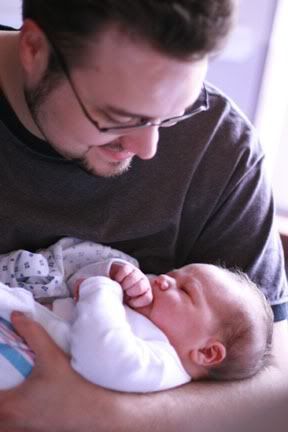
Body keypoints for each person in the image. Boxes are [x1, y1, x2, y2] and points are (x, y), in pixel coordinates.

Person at [0, 0, 287, 431]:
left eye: (173, 116)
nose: (148, 148)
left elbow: (275, 386)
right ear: (35, 48)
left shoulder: (217, 147)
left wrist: (105, 414)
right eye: (117, 119)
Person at [0, 238, 273, 391]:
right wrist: (113, 272)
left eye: (185, 291)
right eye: (172, 275)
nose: (164, 280)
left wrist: (105, 288)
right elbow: (75, 289)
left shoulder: (162, 365)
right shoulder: (148, 311)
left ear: (207, 353)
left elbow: (99, 353)